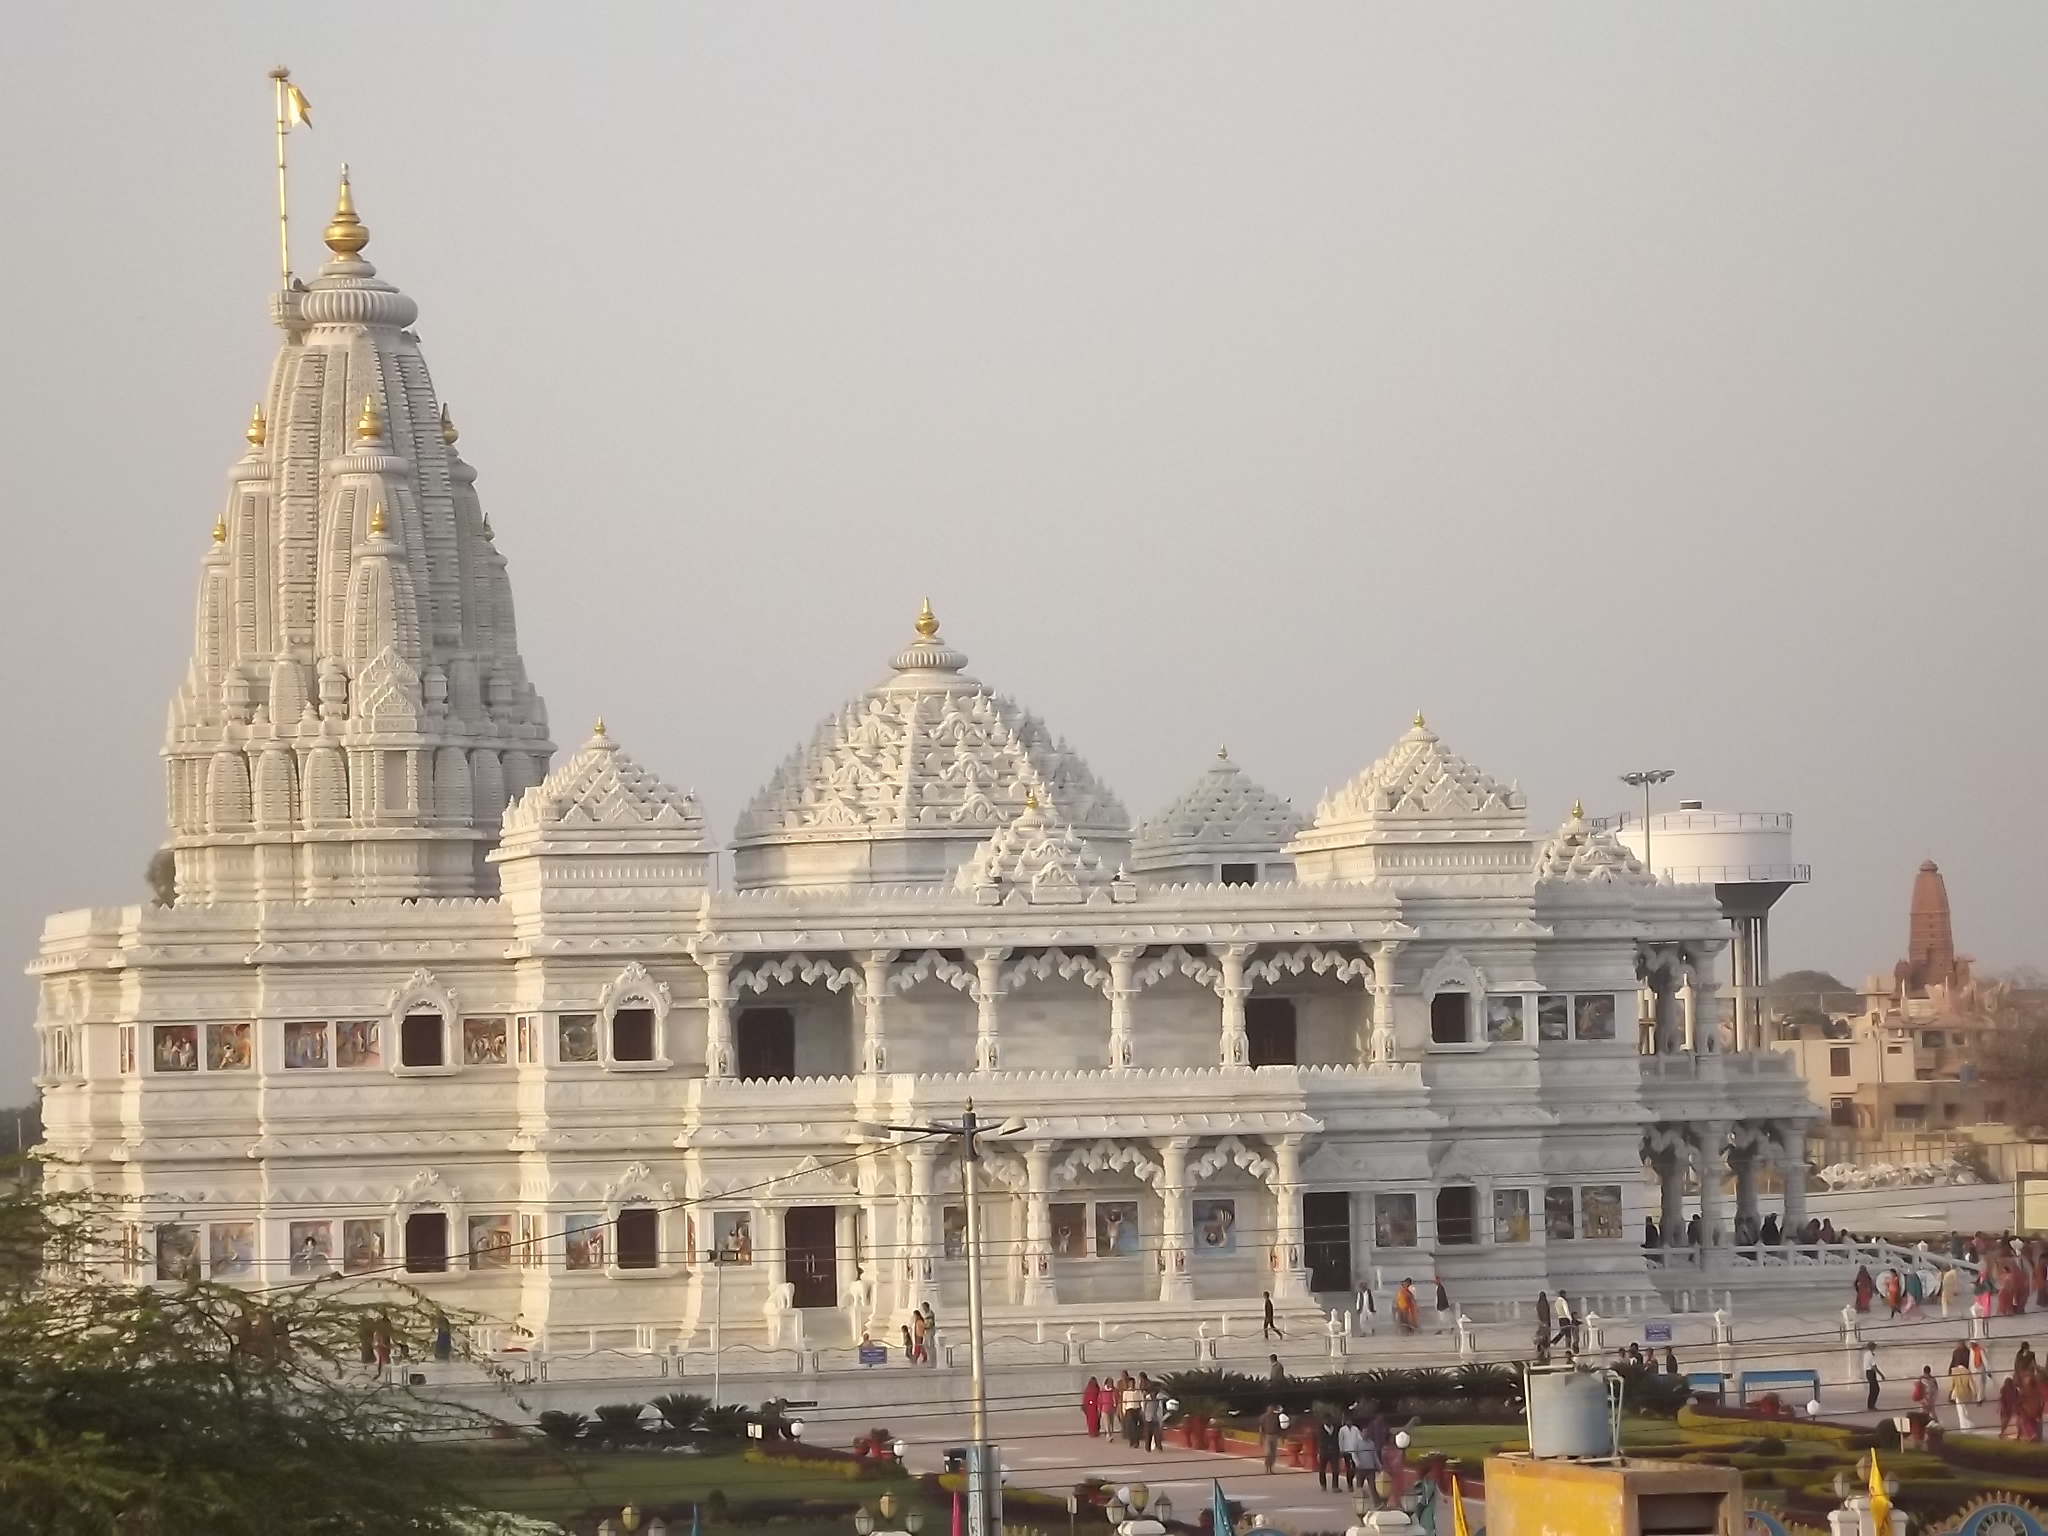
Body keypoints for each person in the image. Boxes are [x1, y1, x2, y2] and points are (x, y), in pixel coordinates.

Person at [1349, 1419, 1381, 1504]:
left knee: (1372, 1487)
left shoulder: (1371, 1443)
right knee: (1359, 1487)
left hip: (1370, 1468)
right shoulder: (1357, 1443)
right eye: (1365, 1432)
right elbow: (1354, 1454)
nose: (1366, 1433)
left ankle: (1377, 1503)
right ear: (1361, 1433)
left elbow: (1375, 1456)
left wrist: (1379, 1465)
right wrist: (1357, 1463)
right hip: (1361, 1468)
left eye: (1367, 1432)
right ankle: (1358, 1504)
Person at [1950, 1358, 1980, 1431]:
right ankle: (1966, 1424)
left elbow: (1952, 1384)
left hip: (1958, 1392)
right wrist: (1975, 1393)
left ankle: (1963, 1424)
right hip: (1965, 1392)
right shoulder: (1967, 1372)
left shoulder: (1954, 1371)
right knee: (1964, 1409)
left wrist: (1950, 1392)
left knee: (1960, 1410)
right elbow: (1971, 1384)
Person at [1315, 1414, 1342, 1491]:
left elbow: (1338, 1439)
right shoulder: (1320, 1429)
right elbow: (1320, 1440)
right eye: (1326, 1420)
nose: (1328, 1421)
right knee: (1322, 1469)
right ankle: (1323, 1485)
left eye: (1330, 1420)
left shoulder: (1335, 1428)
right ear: (1324, 1421)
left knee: (1335, 1469)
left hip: (1334, 1451)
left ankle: (1335, 1486)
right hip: (1324, 1451)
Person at [1143, 1377, 1165, 1452]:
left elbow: (1160, 1409)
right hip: (1148, 1418)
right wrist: (1144, 1416)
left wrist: (1160, 1419)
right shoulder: (1147, 1398)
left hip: (1155, 1418)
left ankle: (1159, 1447)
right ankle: (1147, 1448)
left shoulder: (1159, 1398)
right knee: (1148, 1434)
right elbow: (1144, 1407)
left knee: (1157, 1434)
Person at [1259, 1404, 1283, 1474]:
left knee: (1273, 1454)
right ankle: (1267, 1468)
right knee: (1268, 1453)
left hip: (1275, 1436)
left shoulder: (1276, 1417)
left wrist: (1281, 1437)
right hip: (1267, 1436)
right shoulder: (1264, 1417)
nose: (1271, 1411)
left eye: (1272, 1409)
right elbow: (1261, 1428)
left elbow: (1279, 1428)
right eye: (1270, 1409)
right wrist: (1260, 1439)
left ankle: (1271, 1468)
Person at [1863, 1342, 1884, 1412]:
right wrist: (1881, 1374)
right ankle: (1871, 1405)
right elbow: (1874, 1366)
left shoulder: (1866, 1354)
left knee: (1873, 1389)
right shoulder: (1871, 1355)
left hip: (1868, 1372)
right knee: (1875, 1389)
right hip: (1871, 1372)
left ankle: (1870, 1405)